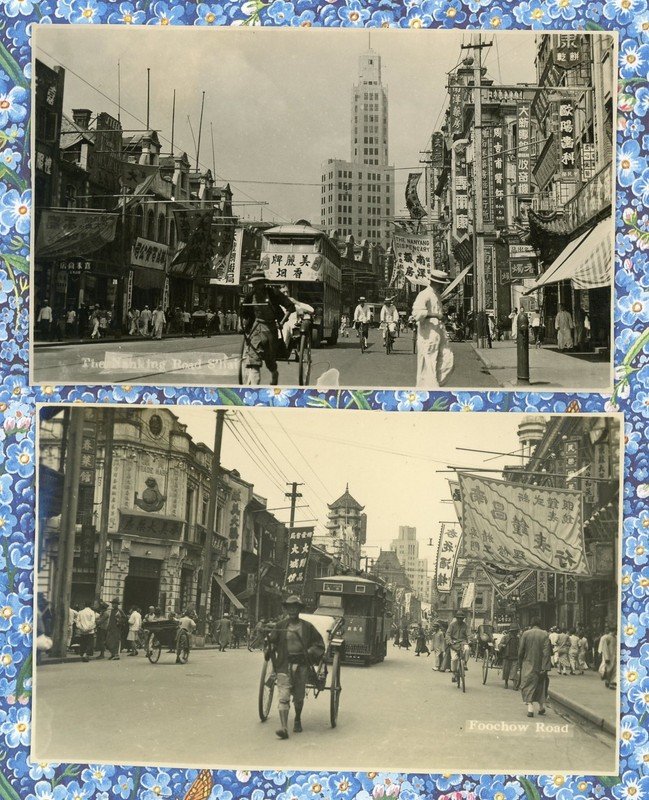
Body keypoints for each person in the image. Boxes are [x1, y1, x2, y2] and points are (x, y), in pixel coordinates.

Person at [266, 595, 325, 739]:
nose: (292, 610)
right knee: (284, 696)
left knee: (298, 697)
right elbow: (272, 641)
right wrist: (270, 647)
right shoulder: (280, 626)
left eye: (295, 607)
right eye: (290, 607)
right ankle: (284, 727)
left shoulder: (307, 627)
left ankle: (297, 718)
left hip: (302, 665)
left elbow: (319, 644)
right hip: (284, 664)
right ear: (286, 609)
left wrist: (310, 651)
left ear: (299, 609)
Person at [239, 270, 295, 385]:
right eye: (254, 283)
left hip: (270, 328)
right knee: (254, 361)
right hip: (256, 327)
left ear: (263, 283)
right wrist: (243, 325)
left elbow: (290, 307)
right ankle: (254, 387)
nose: (256, 286)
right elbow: (245, 312)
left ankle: (275, 374)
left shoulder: (273, 293)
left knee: (270, 360)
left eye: (258, 283)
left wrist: (282, 322)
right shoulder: (250, 296)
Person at [411, 270, 454, 388]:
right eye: (442, 283)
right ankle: (429, 390)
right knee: (428, 364)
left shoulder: (437, 295)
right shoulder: (424, 294)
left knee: (447, 360)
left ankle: (435, 385)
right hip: (427, 334)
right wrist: (435, 315)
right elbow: (417, 313)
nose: (443, 286)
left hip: (438, 333)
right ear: (436, 283)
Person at [518, 618, 552, 717]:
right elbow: (546, 652)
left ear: (531, 624)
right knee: (541, 684)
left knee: (527, 683)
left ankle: (530, 708)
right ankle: (541, 707)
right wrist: (545, 667)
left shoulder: (526, 634)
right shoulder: (545, 634)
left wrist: (520, 663)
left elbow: (521, 651)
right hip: (540, 663)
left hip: (527, 662)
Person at [445, 609, 469, 683]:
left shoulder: (465, 625)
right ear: (456, 618)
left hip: (463, 642)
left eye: (461, 618)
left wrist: (470, 640)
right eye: (458, 618)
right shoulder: (452, 625)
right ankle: (453, 673)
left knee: (467, 649)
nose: (460, 619)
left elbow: (469, 634)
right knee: (454, 659)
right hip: (454, 643)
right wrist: (449, 641)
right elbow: (448, 634)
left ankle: (464, 663)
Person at [500, 623, 520, 690]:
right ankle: (506, 683)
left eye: (516, 631)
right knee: (506, 671)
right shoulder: (505, 637)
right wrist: (502, 645)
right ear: (511, 631)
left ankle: (514, 685)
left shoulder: (518, 638)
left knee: (514, 671)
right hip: (507, 656)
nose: (515, 632)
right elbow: (500, 644)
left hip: (515, 656)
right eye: (514, 631)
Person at [598, 624, 617, 689]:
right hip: (609, 656)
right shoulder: (607, 638)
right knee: (609, 670)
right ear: (613, 631)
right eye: (615, 631)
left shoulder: (615, 638)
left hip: (614, 656)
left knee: (614, 670)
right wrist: (606, 657)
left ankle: (611, 683)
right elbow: (605, 648)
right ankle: (607, 681)